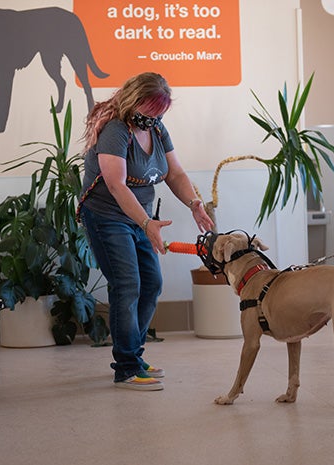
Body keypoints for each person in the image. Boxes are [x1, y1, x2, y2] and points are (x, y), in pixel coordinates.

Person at [78, 72, 214, 390]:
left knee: (151, 284)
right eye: (150, 109)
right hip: (108, 216)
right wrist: (146, 223)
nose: (154, 117)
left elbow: (175, 172)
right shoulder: (115, 131)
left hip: (141, 218)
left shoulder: (157, 129)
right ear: (134, 100)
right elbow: (115, 184)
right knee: (127, 285)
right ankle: (126, 368)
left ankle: (134, 357)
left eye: (160, 112)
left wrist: (194, 202)